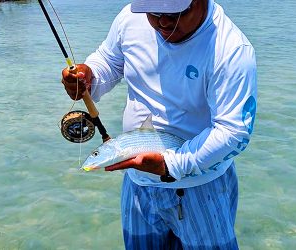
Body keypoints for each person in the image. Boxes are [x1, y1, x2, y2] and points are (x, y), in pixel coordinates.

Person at [61, 0, 257, 248]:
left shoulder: (231, 50)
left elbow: (234, 133)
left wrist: (169, 164)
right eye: (153, 12)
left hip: (200, 187)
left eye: (176, 12)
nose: (163, 22)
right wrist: (89, 77)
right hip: (138, 184)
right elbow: (109, 61)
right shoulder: (130, 18)